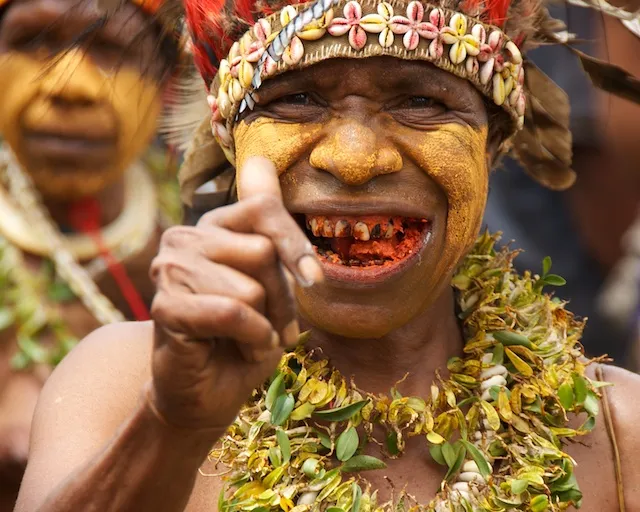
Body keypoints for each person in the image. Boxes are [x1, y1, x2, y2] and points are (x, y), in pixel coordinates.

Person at [13, 0, 640, 510]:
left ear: (492, 142)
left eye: (420, 101)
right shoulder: (124, 383)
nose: (354, 158)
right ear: (232, 143)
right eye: (298, 99)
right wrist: (173, 428)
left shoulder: (619, 429)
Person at [0, 0, 181, 508]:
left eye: (108, 47)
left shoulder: (206, 245)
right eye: (32, 42)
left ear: (168, 77)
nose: (68, 86)